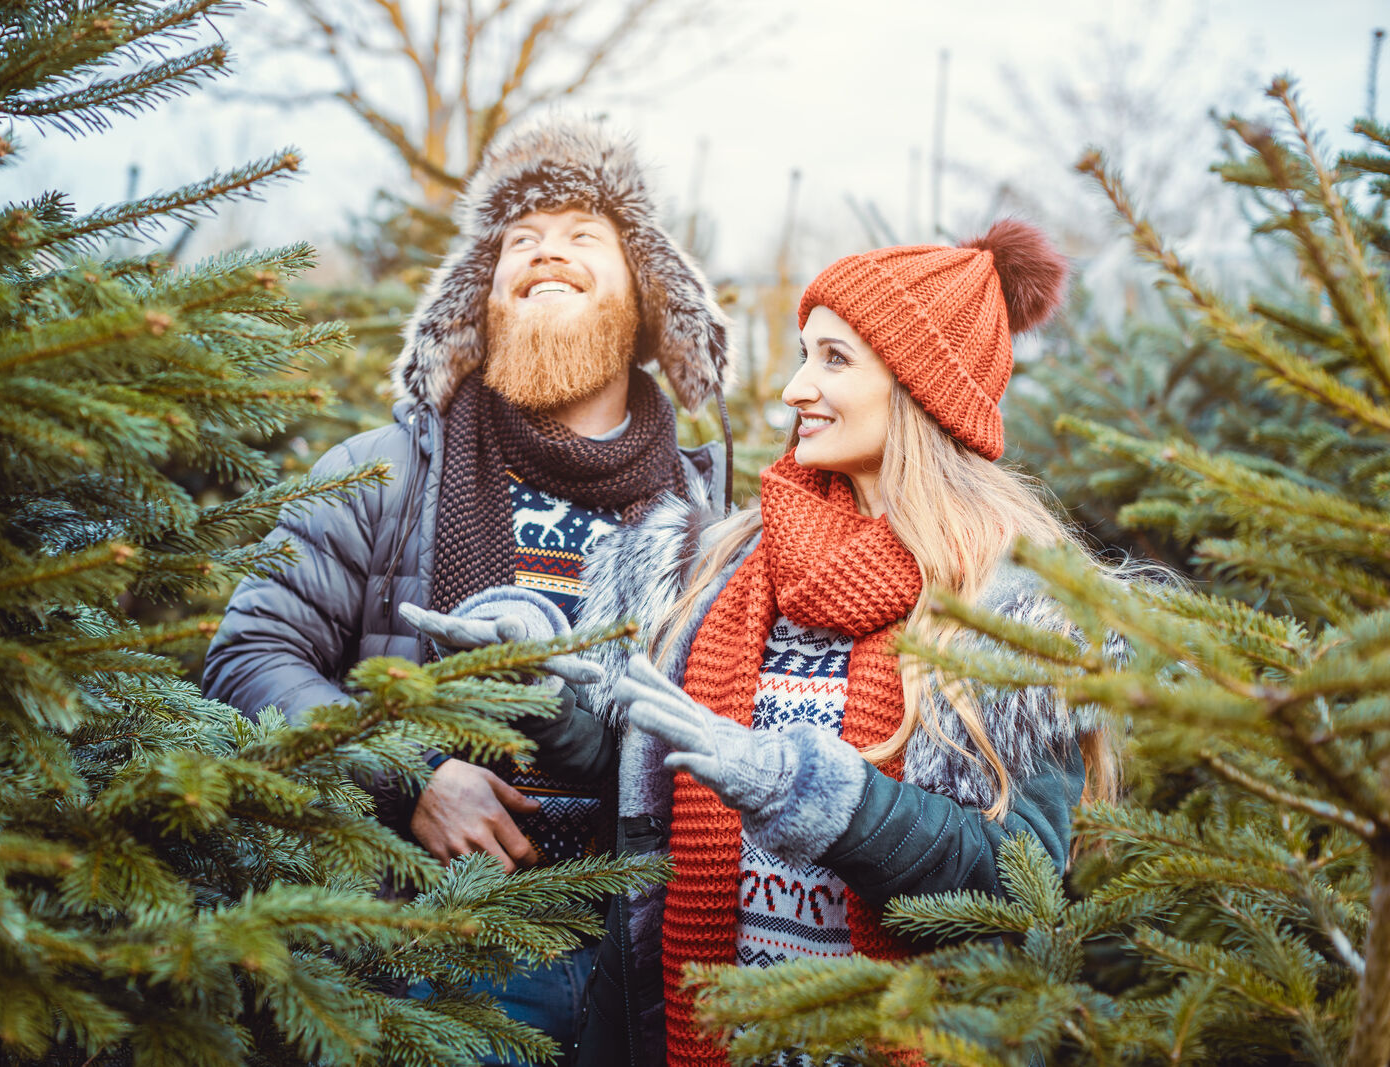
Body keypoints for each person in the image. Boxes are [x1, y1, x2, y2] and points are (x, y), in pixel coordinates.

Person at [421, 218, 1117, 1066]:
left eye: (834, 359)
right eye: (803, 354)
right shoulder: (723, 561)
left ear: (919, 385)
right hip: (691, 1030)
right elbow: (654, 770)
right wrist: (541, 683)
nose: (794, 388)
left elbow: (1023, 882)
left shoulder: (1014, 607)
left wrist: (826, 800)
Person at [200, 115, 733, 1062]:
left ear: (647, 302)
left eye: (581, 237)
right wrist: (405, 778)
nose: (543, 253)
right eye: (518, 243)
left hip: (638, 956)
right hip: (429, 945)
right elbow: (248, 656)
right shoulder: (385, 472)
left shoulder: (707, 516)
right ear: (478, 304)